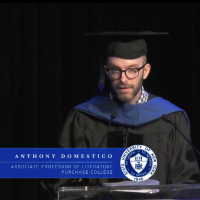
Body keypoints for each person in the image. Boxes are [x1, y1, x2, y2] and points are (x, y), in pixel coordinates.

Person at [42, 32, 200, 197]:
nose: (123, 79)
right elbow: (62, 183)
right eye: (115, 70)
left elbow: (186, 184)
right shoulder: (83, 118)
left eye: (132, 70)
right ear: (106, 71)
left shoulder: (170, 119)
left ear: (145, 71)